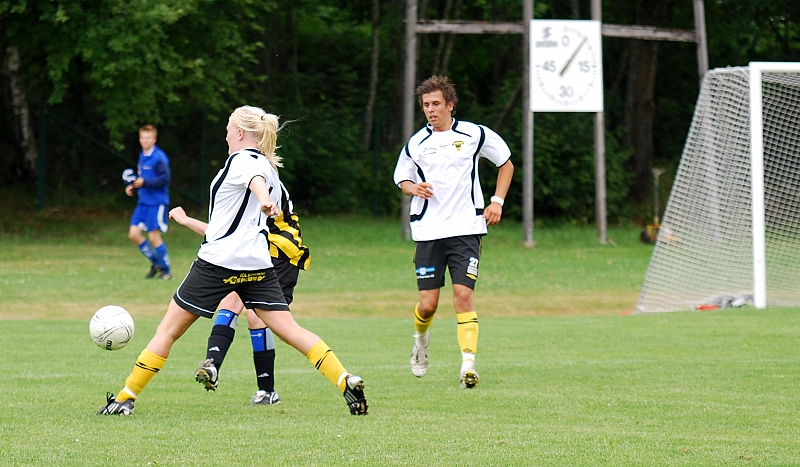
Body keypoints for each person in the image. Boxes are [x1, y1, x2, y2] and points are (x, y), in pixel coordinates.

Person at [98, 105, 367, 416]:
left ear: (239, 133)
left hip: (218, 263)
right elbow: (231, 222)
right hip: (256, 263)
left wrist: (265, 200)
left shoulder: (242, 162)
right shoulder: (268, 166)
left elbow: (254, 182)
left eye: (228, 129)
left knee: (168, 331)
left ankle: (125, 398)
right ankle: (344, 379)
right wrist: (188, 220)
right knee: (291, 330)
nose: (225, 134)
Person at [393, 75, 514, 389]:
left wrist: (497, 201)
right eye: (425, 105)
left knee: (463, 295)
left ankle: (468, 367)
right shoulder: (416, 144)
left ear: (450, 105)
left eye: (435, 104)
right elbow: (402, 180)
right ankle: (420, 341)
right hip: (428, 231)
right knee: (428, 305)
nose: (430, 110)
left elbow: (506, 163)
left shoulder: (474, 134)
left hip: (466, 229)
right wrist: (413, 188)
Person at [169, 178, 310, 405]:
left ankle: (267, 391)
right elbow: (223, 235)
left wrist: (185, 220)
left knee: (257, 317)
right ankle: (212, 365)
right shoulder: (240, 181)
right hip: (255, 251)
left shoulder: (255, 179)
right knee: (229, 302)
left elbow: (220, 234)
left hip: (280, 253)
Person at [125, 124, 172, 280]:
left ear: (154, 139)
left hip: (156, 202)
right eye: (143, 138)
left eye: (148, 138)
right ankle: (156, 262)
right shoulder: (142, 155)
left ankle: (166, 270)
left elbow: (165, 179)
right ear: (139, 139)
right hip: (143, 202)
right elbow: (142, 179)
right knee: (134, 234)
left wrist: (144, 183)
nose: (145, 141)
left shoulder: (159, 157)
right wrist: (133, 187)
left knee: (153, 237)